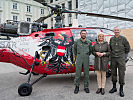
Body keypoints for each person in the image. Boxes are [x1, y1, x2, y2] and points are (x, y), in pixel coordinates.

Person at [109, 26, 130, 97]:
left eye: (117, 30)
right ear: (113, 31)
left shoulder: (123, 39)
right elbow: (110, 49)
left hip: (121, 59)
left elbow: (127, 48)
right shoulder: (112, 39)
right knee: (113, 73)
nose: (116, 31)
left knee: (121, 74)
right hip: (113, 59)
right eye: (115, 30)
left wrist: (124, 57)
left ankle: (121, 89)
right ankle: (114, 87)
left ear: (120, 31)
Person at [73, 30, 92, 94]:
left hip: (86, 58)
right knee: (78, 73)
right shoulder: (77, 42)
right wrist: (78, 55)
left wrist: (86, 55)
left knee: (86, 73)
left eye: (85, 33)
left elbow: (90, 51)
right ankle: (77, 86)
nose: (83, 34)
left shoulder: (89, 42)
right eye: (82, 33)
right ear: (80, 34)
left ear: (86, 34)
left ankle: (86, 87)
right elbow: (74, 50)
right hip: (79, 58)